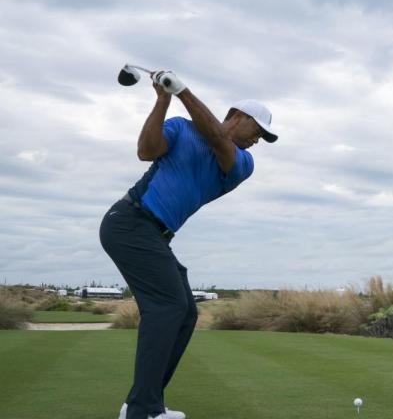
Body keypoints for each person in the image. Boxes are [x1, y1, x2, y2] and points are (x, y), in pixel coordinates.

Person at [100, 70, 278, 419]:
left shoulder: (242, 162)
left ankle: (143, 402)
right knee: (167, 306)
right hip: (129, 222)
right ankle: (143, 411)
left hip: (152, 234)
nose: (257, 140)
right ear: (238, 117)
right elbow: (145, 150)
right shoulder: (180, 127)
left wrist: (182, 90)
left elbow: (217, 139)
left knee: (184, 313)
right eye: (257, 131)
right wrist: (163, 100)